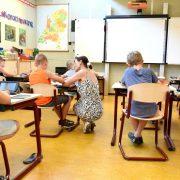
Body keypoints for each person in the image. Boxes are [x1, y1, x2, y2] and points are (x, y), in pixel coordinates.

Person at [121, 51, 158, 145]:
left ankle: (137, 135)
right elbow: (156, 84)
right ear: (142, 61)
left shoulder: (127, 71)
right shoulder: (149, 71)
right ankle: (137, 134)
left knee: (129, 107)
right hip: (151, 110)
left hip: (133, 109)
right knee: (145, 107)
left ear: (128, 63)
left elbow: (122, 82)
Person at [29, 54, 74, 127]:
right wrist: (62, 79)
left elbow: (40, 84)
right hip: (47, 101)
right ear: (45, 63)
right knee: (68, 98)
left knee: (56, 99)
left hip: (35, 101)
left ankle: (62, 120)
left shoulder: (31, 74)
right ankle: (63, 120)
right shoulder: (46, 72)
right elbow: (62, 81)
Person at [63, 56, 103, 133]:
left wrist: (56, 79)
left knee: (76, 106)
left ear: (80, 62)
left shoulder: (82, 72)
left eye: (75, 62)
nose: (74, 65)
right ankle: (89, 121)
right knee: (81, 102)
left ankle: (86, 122)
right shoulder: (91, 71)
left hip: (89, 110)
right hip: (98, 109)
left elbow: (66, 83)